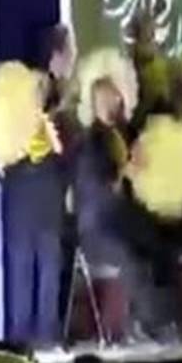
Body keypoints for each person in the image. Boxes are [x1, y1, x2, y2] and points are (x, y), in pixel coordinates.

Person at [72, 76, 169, 341]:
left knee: (158, 243)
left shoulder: (121, 134)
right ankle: (142, 324)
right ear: (98, 102)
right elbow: (102, 187)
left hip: (121, 220)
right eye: (111, 97)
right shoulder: (91, 143)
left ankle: (162, 317)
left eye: (117, 96)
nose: (118, 101)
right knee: (131, 257)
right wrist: (126, 170)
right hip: (97, 231)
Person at [3, 56, 68, 347]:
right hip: (21, 197)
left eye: (42, 88)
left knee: (49, 265)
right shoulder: (9, 126)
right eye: (34, 88)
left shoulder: (56, 123)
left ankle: (47, 332)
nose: (38, 93)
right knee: (22, 266)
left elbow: (65, 156)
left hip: (48, 198)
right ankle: (21, 336)